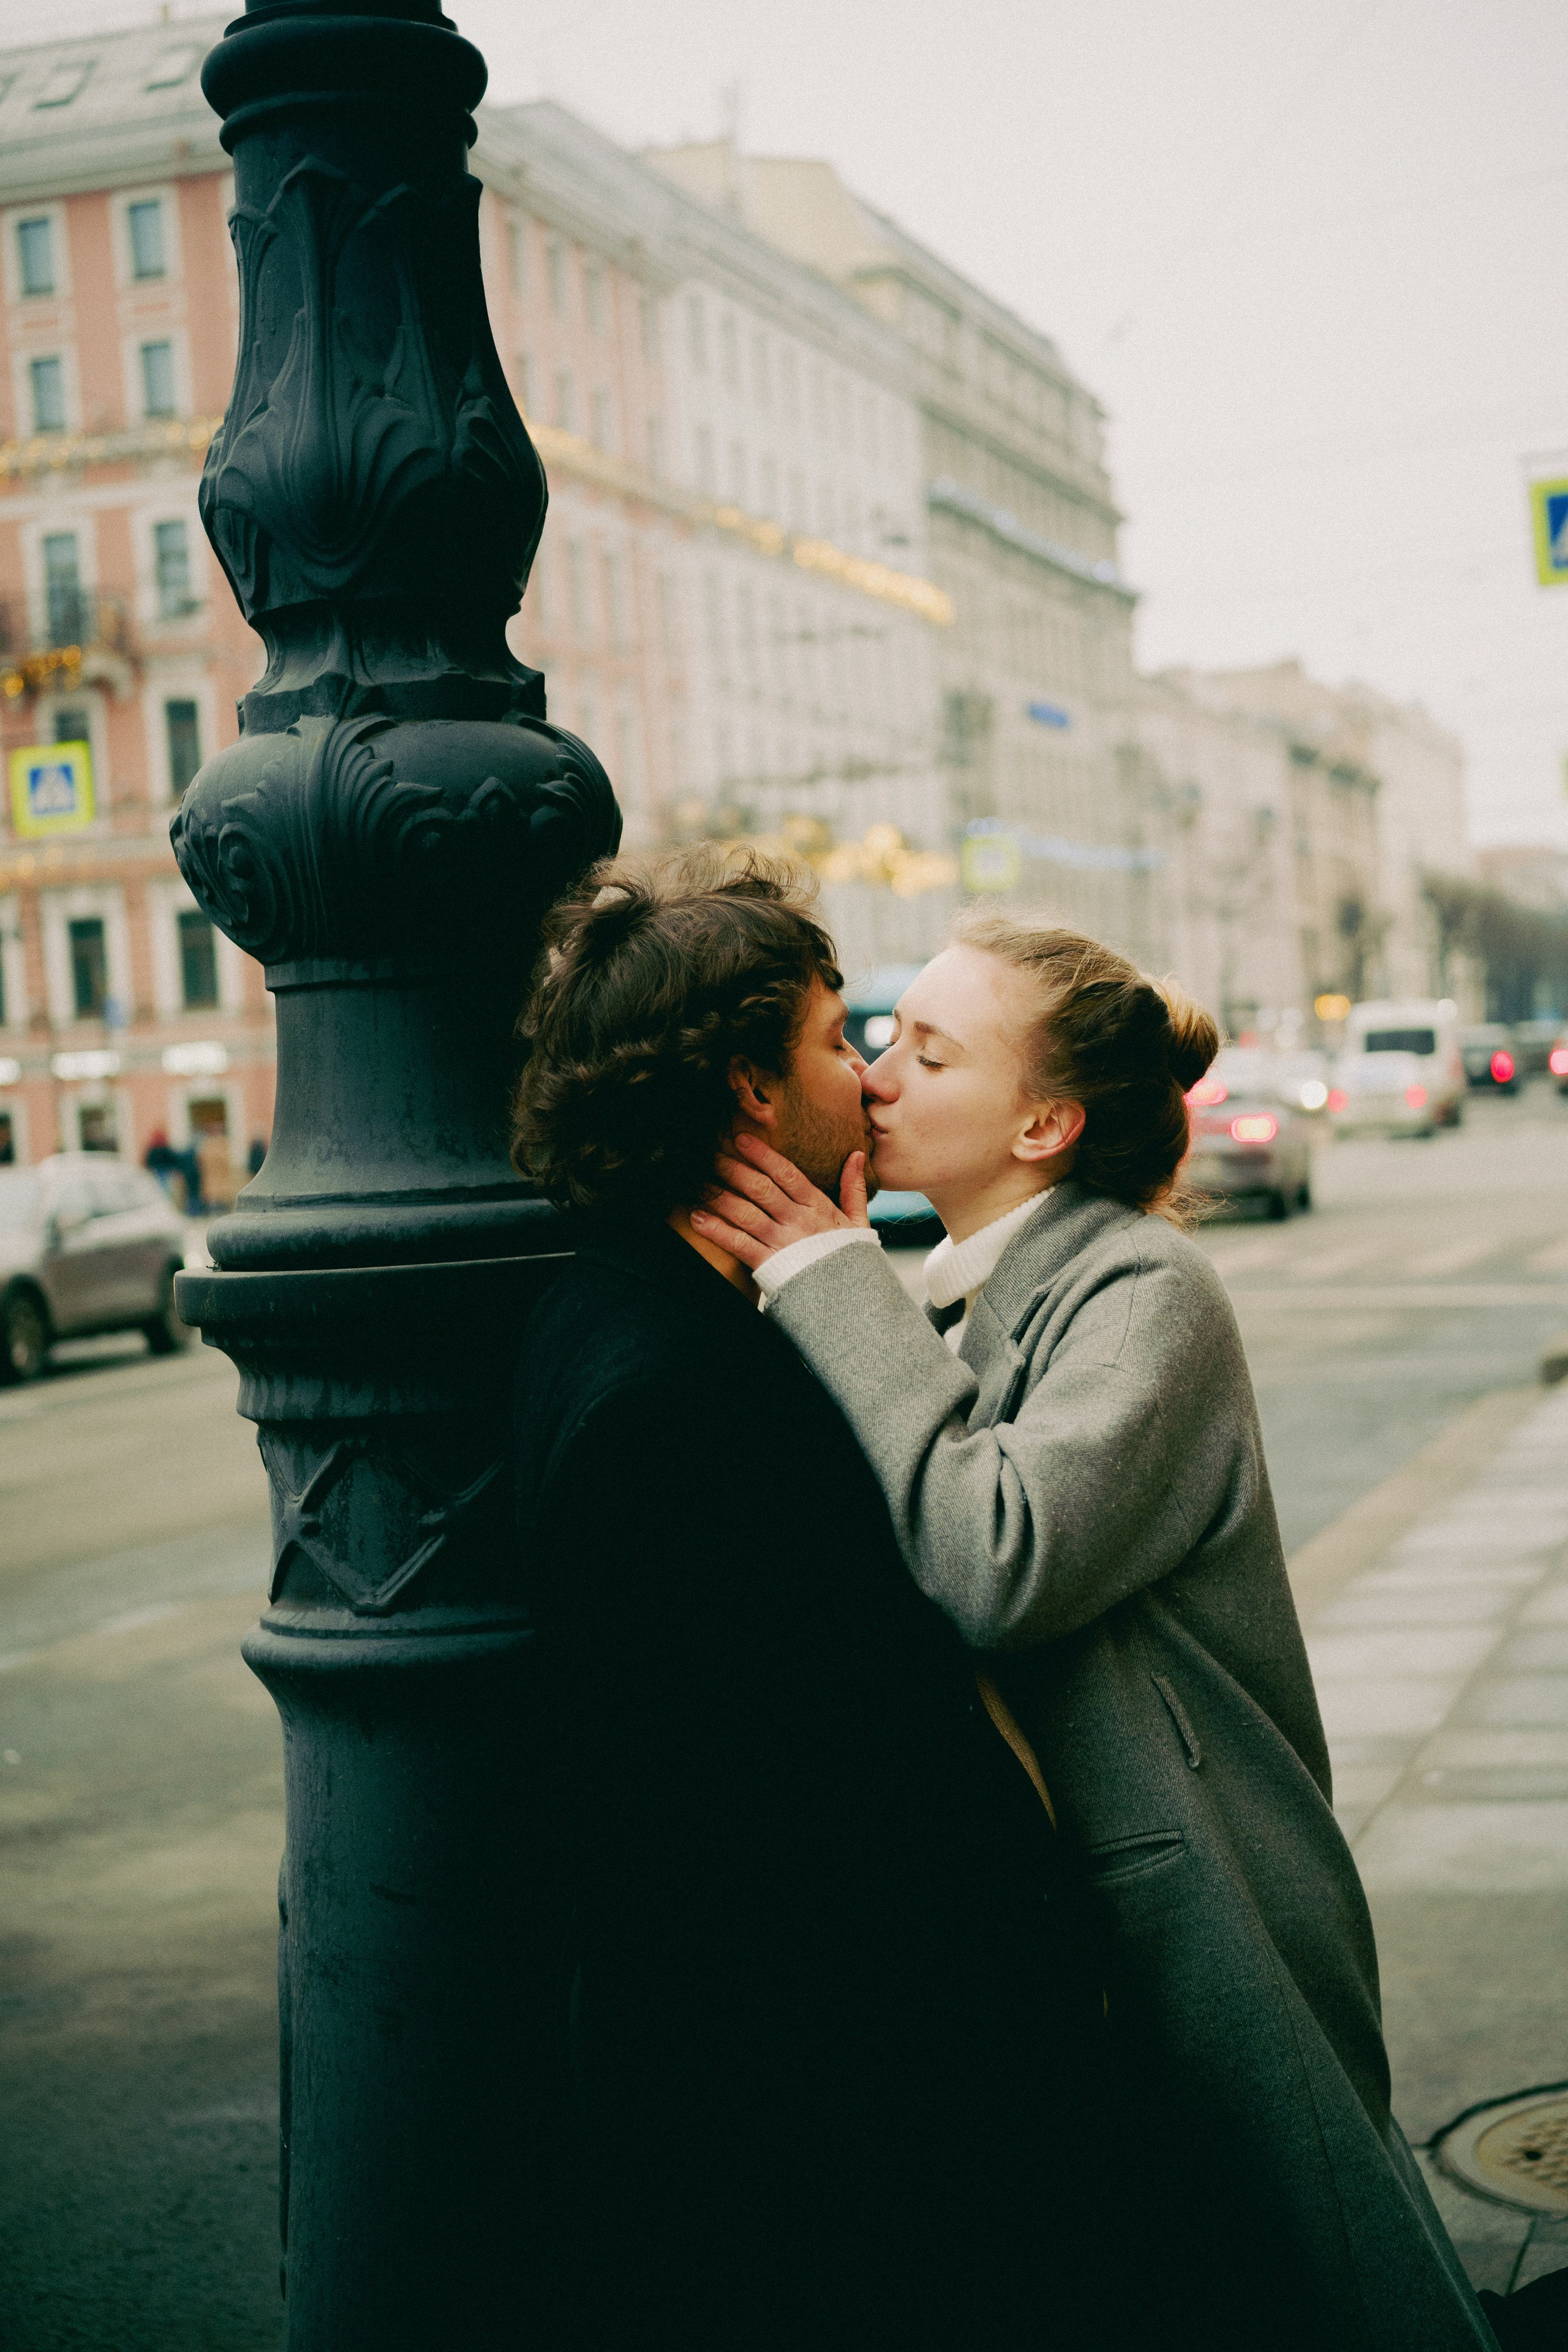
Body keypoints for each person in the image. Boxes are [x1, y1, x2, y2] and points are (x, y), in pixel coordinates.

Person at [693, 909, 1508, 2352]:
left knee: (1314, 2276)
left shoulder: (1141, 1288)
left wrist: (825, 1280)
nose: (876, 1076)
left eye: (928, 1053)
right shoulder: (987, 1287)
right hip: (1091, 1895)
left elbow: (999, 1557)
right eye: (882, 1040)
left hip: (1201, 1895)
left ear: (1042, 1125)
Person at [510, 855, 1114, 2351]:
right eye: (839, 1040)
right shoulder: (688, 1397)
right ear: (747, 1089)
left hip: (784, 2100)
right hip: (820, 2127)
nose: (868, 1076)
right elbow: (816, 1797)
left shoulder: (627, 1306)